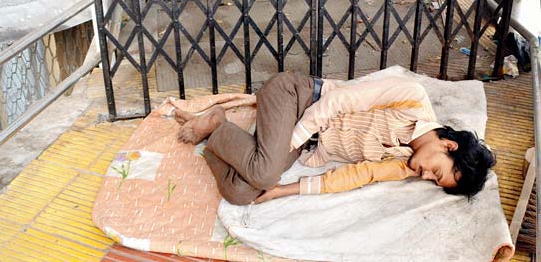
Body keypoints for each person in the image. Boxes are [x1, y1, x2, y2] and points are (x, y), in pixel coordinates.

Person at [173, 72, 495, 205]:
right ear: (448, 145)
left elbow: (354, 176)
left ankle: (217, 128)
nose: (425, 176)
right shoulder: (413, 97)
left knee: (242, 192)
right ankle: (220, 128)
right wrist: (291, 140)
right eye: (436, 172)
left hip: (306, 141)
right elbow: (342, 100)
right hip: (297, 97)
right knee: (266, 170)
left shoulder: (405, 165)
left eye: (434, 183)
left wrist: (282, 191)